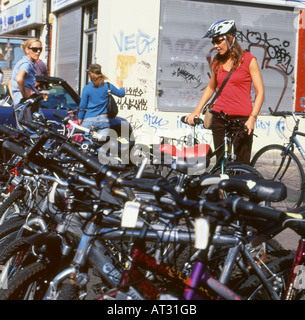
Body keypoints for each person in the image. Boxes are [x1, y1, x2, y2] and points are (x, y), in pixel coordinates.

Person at [186, 20, 264, 165]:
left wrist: (252, 118)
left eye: (218, 41)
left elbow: (260, 92)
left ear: (230, 38)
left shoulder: (249, 60)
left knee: (242, 166)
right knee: (222, 164)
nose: (215, 45)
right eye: (213, 42)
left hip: (242, 121)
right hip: (219, 118)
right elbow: (211, 87)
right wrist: (196, 110)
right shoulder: (217, 61)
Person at [77, 63, 125, 141]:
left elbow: (82, 106)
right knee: (100, 145)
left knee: (87, 144)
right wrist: (121, 85)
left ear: (90, 74)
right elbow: (121, 94)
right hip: (104, 120)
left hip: (89, 120)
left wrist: (80, 118)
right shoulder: (107, 86)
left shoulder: (87, 88)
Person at [11, 38, 43, 107]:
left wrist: (15, 98)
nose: (38, 52)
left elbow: (10, 82)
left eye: (40, 49)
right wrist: (24, 96)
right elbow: (19, 79)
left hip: (21, 102)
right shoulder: (26, 64)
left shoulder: (25, 62)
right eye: (34, 49)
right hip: (25, 103)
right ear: (27, 50)